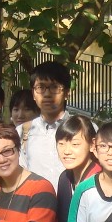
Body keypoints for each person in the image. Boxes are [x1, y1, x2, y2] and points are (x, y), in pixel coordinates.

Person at [19, 61, 72, 189]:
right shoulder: (21, 132)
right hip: (36, 200)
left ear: (67, 93)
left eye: (54, 87)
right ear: (33, 94)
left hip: (75, 200)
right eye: (40, 87)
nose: (47, 94)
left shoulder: (85, 129)